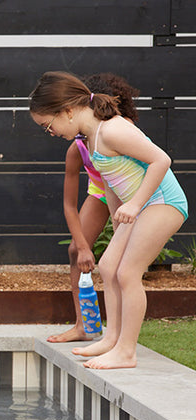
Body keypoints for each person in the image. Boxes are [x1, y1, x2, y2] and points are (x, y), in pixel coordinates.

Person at [29, 71, 188, 369]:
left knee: (127, 273)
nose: (49, 132)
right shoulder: (90, 139)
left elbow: (161, 160)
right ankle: (111, 339)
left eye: (48, 125)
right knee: (109, 265)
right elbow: (113, 183)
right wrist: (121, 224)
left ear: (67, 110)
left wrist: (136, 203)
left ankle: (126, 351)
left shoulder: (113, 130)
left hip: (162, 202)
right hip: (141, 208)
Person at [47, 73, 140, 343]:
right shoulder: (78, 148)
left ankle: (121, 332)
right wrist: (83, 246)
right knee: (76, 249)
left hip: (132, 190)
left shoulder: (121, 130)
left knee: (123, 263)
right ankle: (83, 325)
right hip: (102, 191)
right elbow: (69, 204)